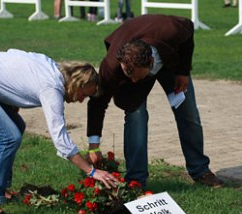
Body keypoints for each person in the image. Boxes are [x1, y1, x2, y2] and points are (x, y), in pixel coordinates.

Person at [0, 49, 119, 214]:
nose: (81, 100)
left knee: (17, 126)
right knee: (10, 137)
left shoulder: (51, 67)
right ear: (77, 83)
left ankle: (2, 190)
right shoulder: (51, 87)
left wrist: (11, 101)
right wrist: (92, 172)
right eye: (84, 94)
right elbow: (60, 140)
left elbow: (14, 57)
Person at [86, 14, 224, 190]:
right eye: (131, 75)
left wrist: (183, 71)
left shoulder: (172, 30)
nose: (134, 81)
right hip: (132, 52)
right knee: (136, 116)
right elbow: (98, 102)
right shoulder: (112, 67)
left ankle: (200, 170)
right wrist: (93, 146)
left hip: (170, 63)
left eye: (138, 76)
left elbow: (188, 32)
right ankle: (136, 180)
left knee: (188, 113)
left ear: (151, 62)